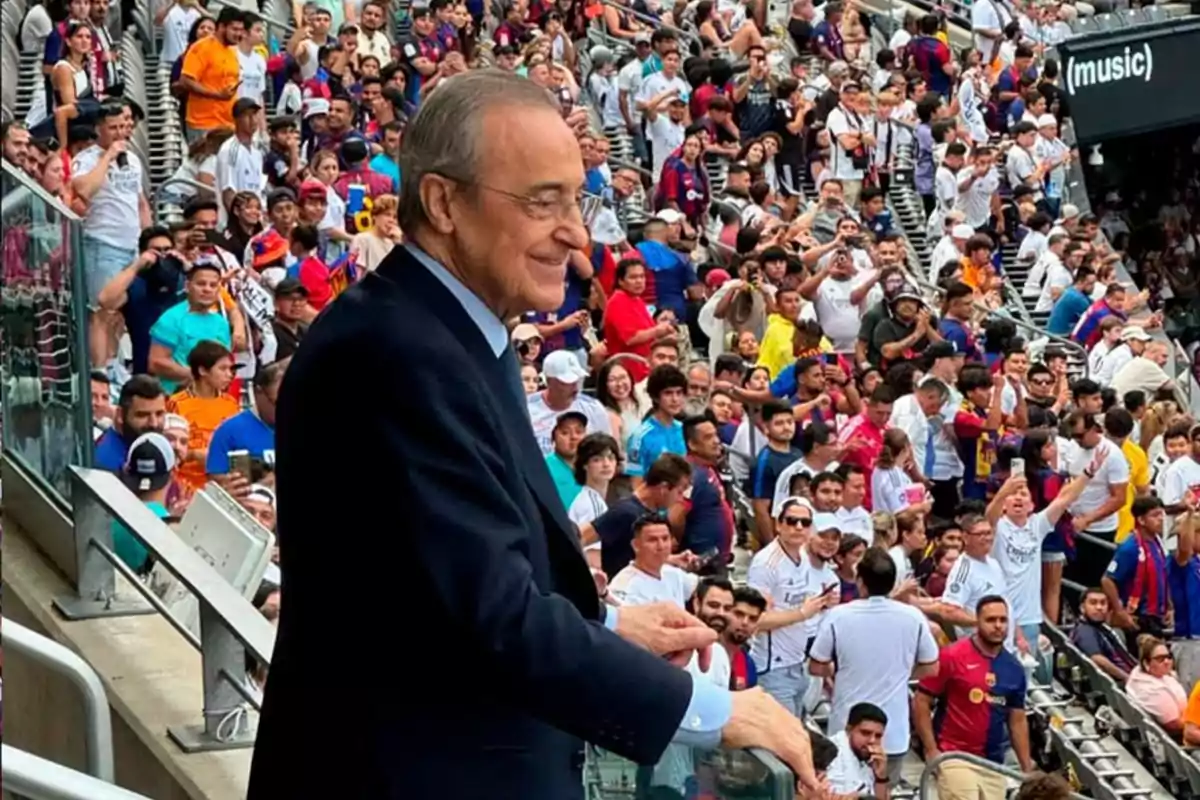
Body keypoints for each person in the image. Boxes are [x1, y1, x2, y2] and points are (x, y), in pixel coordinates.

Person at [249, 70, 821, 800]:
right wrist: (711, 710)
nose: (576, 232)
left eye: (575, 199)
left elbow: (439, 572)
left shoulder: (441, 328)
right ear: (444, 203)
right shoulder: (394, 353)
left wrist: (606, 621)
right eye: (542, 201)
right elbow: (490, 617)